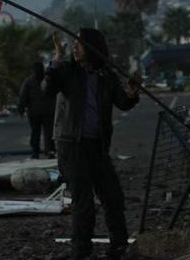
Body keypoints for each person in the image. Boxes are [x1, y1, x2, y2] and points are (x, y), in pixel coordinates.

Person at [42, 28, 141, 260]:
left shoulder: (106, 75)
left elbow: (123, 102)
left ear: (93, 48)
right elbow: (46, 89)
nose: (74, 48)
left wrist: (133, 92)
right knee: (83, 201)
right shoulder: (67, 70)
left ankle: (118, 246)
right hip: (71, 145)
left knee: (113, 197)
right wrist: (55, 61)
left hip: (97, 146)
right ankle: (81, 252)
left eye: (79, 44)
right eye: (73, 44)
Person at [18, 61, 56, 159]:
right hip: (48, 112)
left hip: (34, 113)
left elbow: (23, 97)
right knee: (49, 133)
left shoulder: (29, 81)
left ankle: (35, 152)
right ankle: (50, 151)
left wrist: (21, 110)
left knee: (35, 133)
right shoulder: (49, 80)